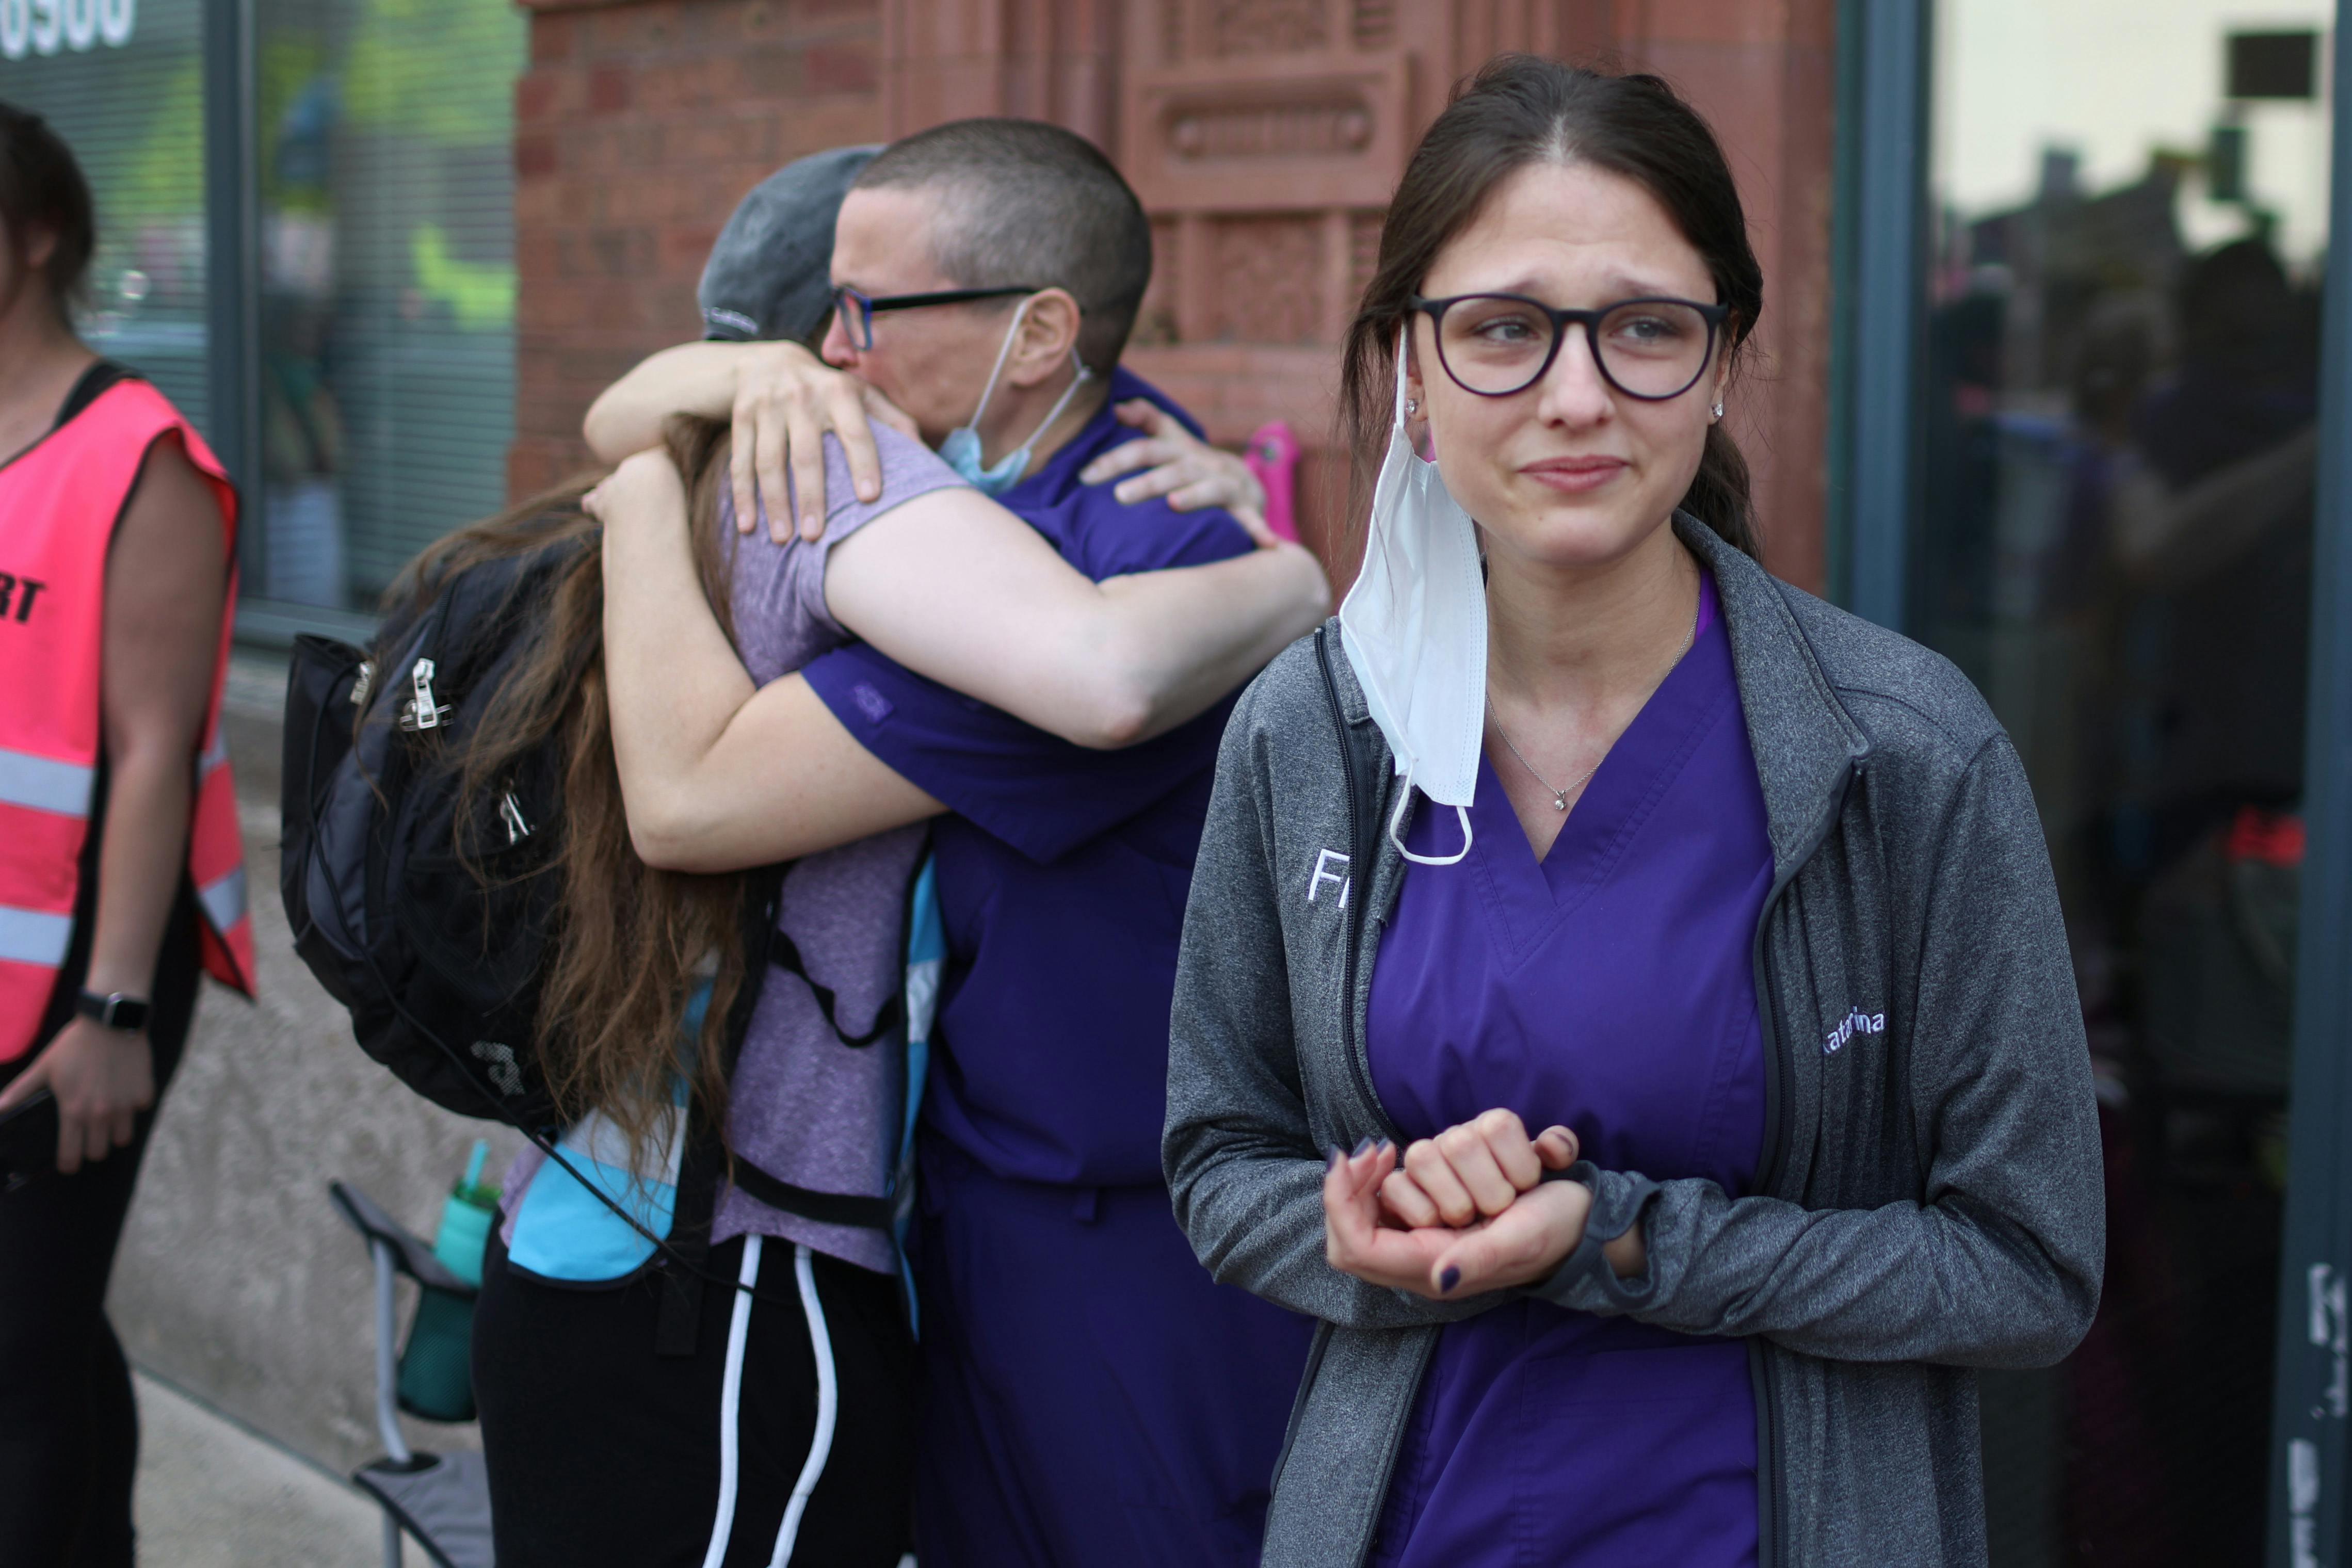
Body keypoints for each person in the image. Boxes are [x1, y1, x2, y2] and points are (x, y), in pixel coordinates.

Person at [1163, 57, 2105, 1568]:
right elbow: (1218, 1159)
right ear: (1411, 366)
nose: (1578, 396)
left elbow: (2026, 1267)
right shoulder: (1314, 731)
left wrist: (1622, 1236)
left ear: (1726, 363)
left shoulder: (1903, 754)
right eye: (1504, 331)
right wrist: (1364, 1220)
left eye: (1649, 328)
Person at [470, 144, 1326, 1568]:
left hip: (1126, 1242)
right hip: (970, 1209)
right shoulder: (1060, 472)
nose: (828, 351)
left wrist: (1306, 574)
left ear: (1042, 331)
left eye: (868, 312)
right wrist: (731, 391)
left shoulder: (1085, 577)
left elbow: (691, 798)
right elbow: (626, 402)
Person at [0, 104, 254, 1567]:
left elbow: (154, 747)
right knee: (35, 1319)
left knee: (17, 1351)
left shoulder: (139, 454)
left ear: (39, 236)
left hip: (86, 956)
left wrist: (112, 1010)